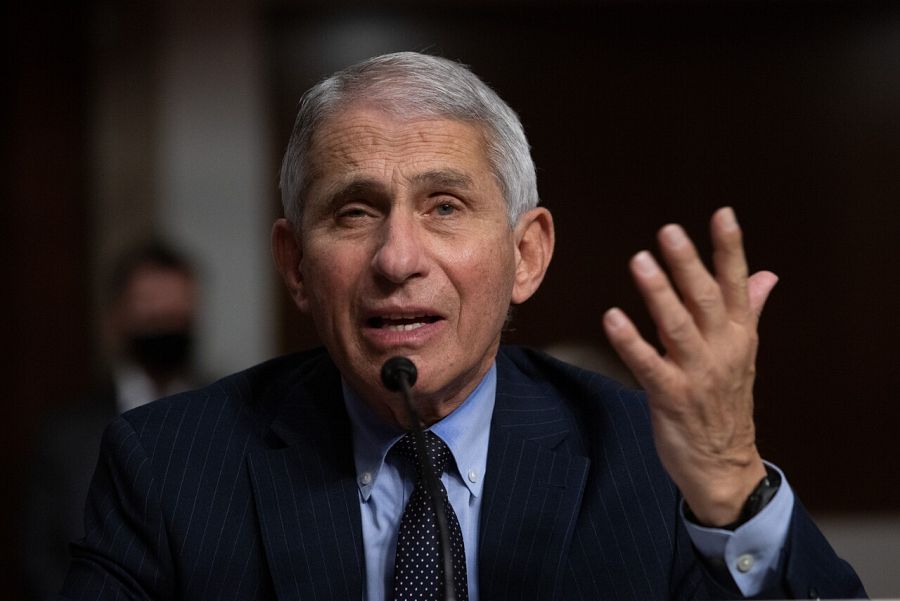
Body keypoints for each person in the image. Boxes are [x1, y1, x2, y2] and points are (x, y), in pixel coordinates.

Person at [58, 52, 864, 600]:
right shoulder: (165, 467)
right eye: (355, 210)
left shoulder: (650, 461)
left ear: (526, 254)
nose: (398, 256)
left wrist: (730, 487)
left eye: (444, 206)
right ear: (296, 265)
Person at [24, 241, 200, 600]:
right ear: (116, 317)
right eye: (151, 309)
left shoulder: (230, 413)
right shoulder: (67, 434)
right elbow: (42, 557)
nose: (165, 321)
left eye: (177, 311)